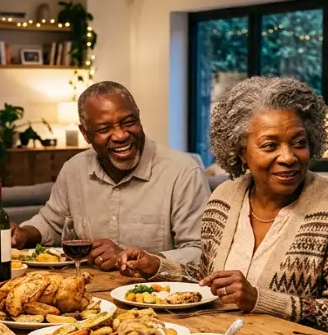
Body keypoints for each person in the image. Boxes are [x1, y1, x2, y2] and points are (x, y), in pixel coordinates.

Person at [118, 77, 328, 335]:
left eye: (299, 143)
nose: (288, 157)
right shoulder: (224, 199)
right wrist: (159, 267)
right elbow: (208, 280)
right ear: (241, 152)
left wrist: (260, 300)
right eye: (270, 146)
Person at [12, 81, 210, 270]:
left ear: (139, 117)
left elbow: (201, 252)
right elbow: (51, 223)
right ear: (85, 134)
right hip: (89, 292)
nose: (121, 135)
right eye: (104, 129)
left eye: (129, 122)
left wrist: (136, 259)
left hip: (158, 297)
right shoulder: (74, 170)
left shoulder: (183, 172)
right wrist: (24, 234)